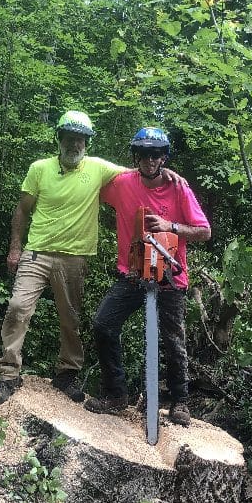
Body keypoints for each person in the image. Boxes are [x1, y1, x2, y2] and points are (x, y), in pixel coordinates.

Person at [0, 112, 182, 407]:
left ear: (87, 143)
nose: (74, 143)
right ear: (59, 138)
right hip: (37, 251)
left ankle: (67, 373)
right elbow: (22, 209)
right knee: (17, 308)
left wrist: (169, 174)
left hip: (75, 258)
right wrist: (16, 248)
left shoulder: (98, 168)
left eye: (80, 139)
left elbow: (139, 174)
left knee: (71, 319)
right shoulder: (39, 169)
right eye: (69, 137)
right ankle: (8, 374)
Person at [84, 127, 211, 427]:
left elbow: (204, 231)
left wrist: (172, 226)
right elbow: (89, 184)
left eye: (156, 154)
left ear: (164, 157)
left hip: (167, 276)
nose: (150, 159)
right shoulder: (123, 184)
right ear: (136, 156)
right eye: (143, 153)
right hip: (132, 274)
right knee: (103, 324)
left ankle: (180, 401)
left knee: (173, 341)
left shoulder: (179, 188)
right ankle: (116, 394)